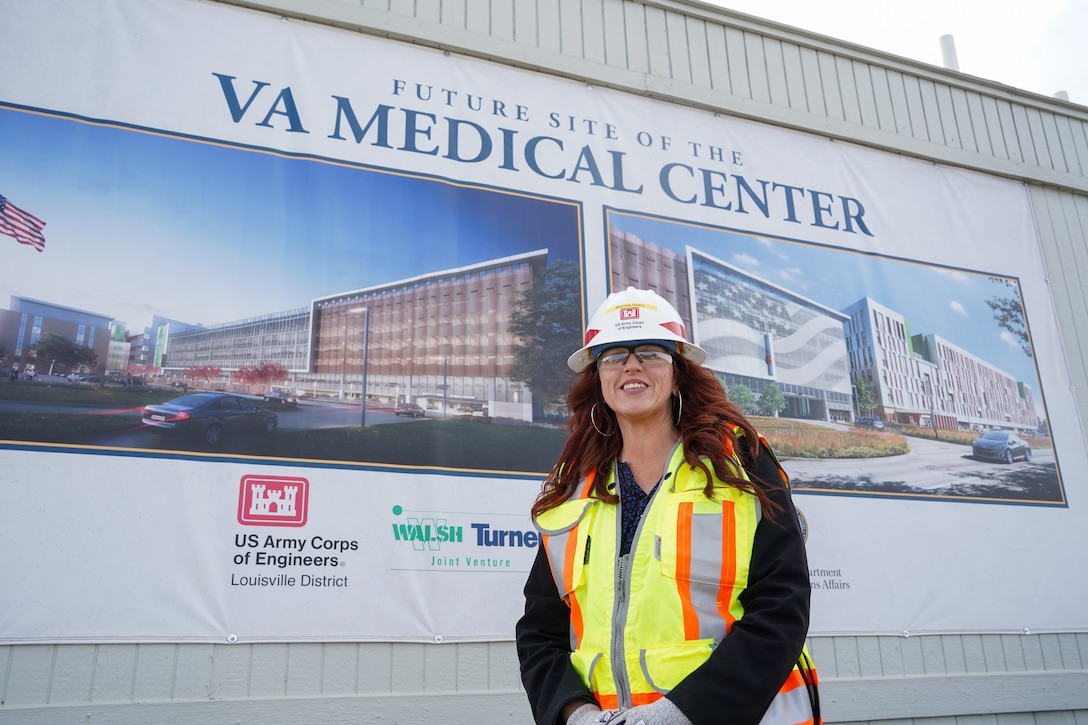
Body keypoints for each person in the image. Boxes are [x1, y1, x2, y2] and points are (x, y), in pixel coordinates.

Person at [516, 287, 819, 725]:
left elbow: (782, 608)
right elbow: (540, 631)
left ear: (678, 373)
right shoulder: (573, 490)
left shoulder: (739, 464)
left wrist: (680, 715)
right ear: (598, 379)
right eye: (614, 354)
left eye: (651, 352)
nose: (632, 364)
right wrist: (574, 713)